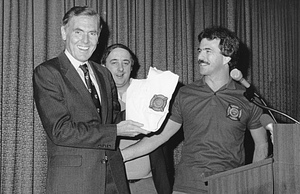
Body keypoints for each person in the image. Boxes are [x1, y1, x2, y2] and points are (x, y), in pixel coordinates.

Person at [121, 26, 269, 194]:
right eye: (200, 50)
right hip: (187, 186)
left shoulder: (247, 98)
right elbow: (159, 136)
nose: (200, 57)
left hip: (230, 186)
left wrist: (255, 186)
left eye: (208, 51)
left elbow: (262, 144)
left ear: (227, 58)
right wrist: (121, 156)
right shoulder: (185, 94)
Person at [33, 6, 149, 194]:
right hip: (74, 182)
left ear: (99, 36)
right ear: (64, 32)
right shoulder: (48, 72)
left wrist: (148, 111)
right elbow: (60, 131)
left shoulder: (103, 73)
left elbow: (113, 118)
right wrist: (115, 130)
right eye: (78, 32)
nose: (85, 41)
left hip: (113, 178)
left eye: (92, 33)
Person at [101, 43, 173, 194]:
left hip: (148, 184)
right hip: (109, 184)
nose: (120, 69)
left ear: (132, 67)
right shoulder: (95, 98)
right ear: (103, 66)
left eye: (125, 63)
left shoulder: (149, 93)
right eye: (114, 62)